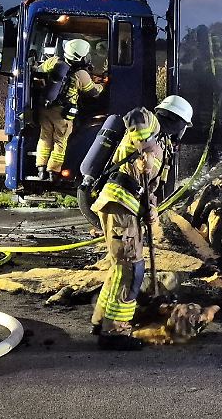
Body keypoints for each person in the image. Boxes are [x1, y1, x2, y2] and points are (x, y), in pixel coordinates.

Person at [88, 96, 193, 349]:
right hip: (119, 203)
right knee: (130, 269)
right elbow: (136, 114)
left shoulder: (164, 146)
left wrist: (151, 211)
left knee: (121, 267)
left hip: (129, 207)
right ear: (177, 120)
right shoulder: (152, 124)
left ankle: (101, 320)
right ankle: (114, 332)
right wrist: (145, 145)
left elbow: (151, 189)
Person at [35, 39, 103, 180]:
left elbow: (39, 70)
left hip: (45, 109)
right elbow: (93, 93)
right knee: (60, 141)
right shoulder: (81, 74)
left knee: (44, 137)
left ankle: (41, 169)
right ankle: (53, 172)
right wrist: (102, 85)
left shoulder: (54, 62)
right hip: (62, 113)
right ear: (80, 57)